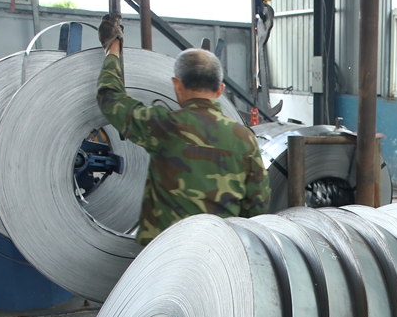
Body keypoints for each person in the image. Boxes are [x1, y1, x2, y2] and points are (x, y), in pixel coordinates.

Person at [96, 14, 271, 246]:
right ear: (220, 90)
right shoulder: (244, 139)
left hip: (167, 254)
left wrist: (112, 48)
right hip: (220, 252)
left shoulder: (163, 125)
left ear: (177, 86)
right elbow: (258, 205)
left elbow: (110, 98)